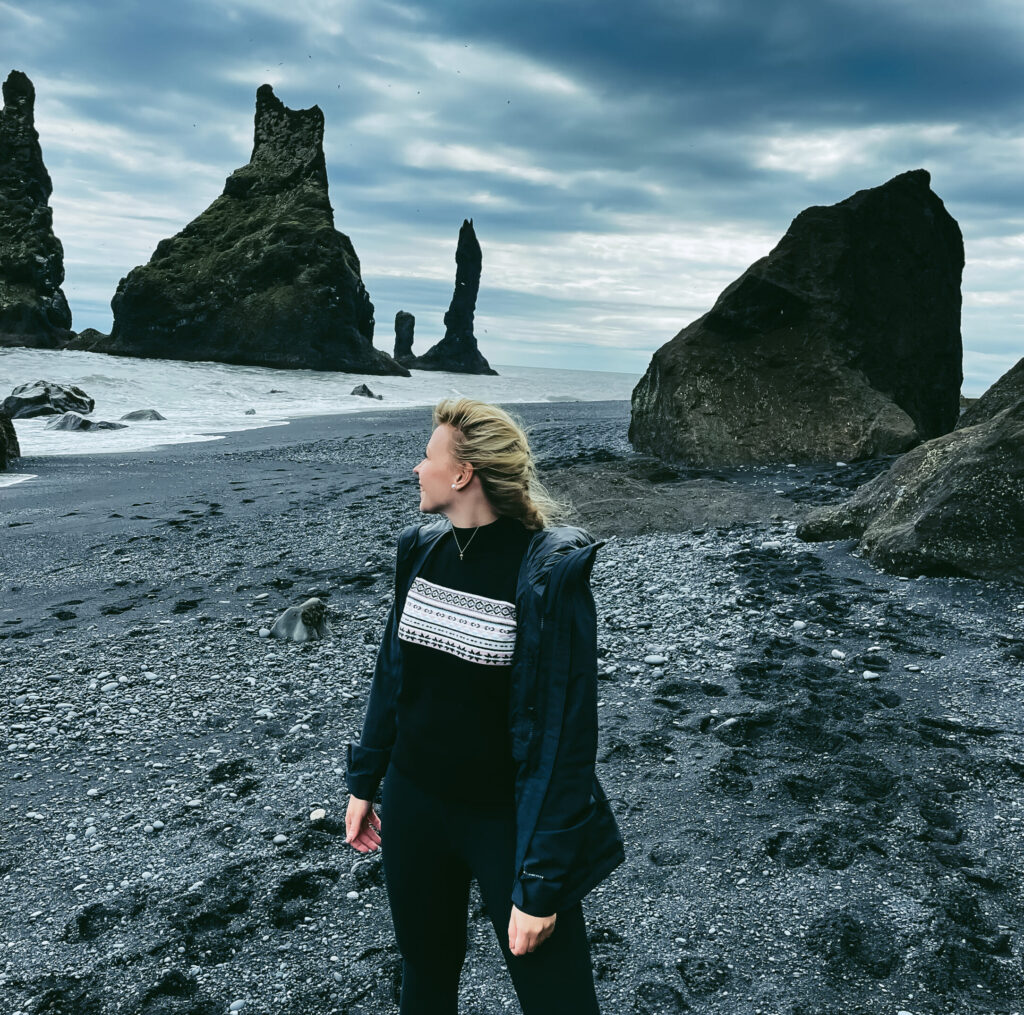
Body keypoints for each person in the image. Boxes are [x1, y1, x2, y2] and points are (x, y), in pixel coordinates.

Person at [344, 396, 625, 1015]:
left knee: (557, 998)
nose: (416, 468)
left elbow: (565, 736)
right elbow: (394, 675)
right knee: (425, 971)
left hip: (506, 821)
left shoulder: (547, 575)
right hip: (414, 802)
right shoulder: (420, 549)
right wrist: (366, 780)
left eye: (426, 456)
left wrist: (543, 885)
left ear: (463, 473)